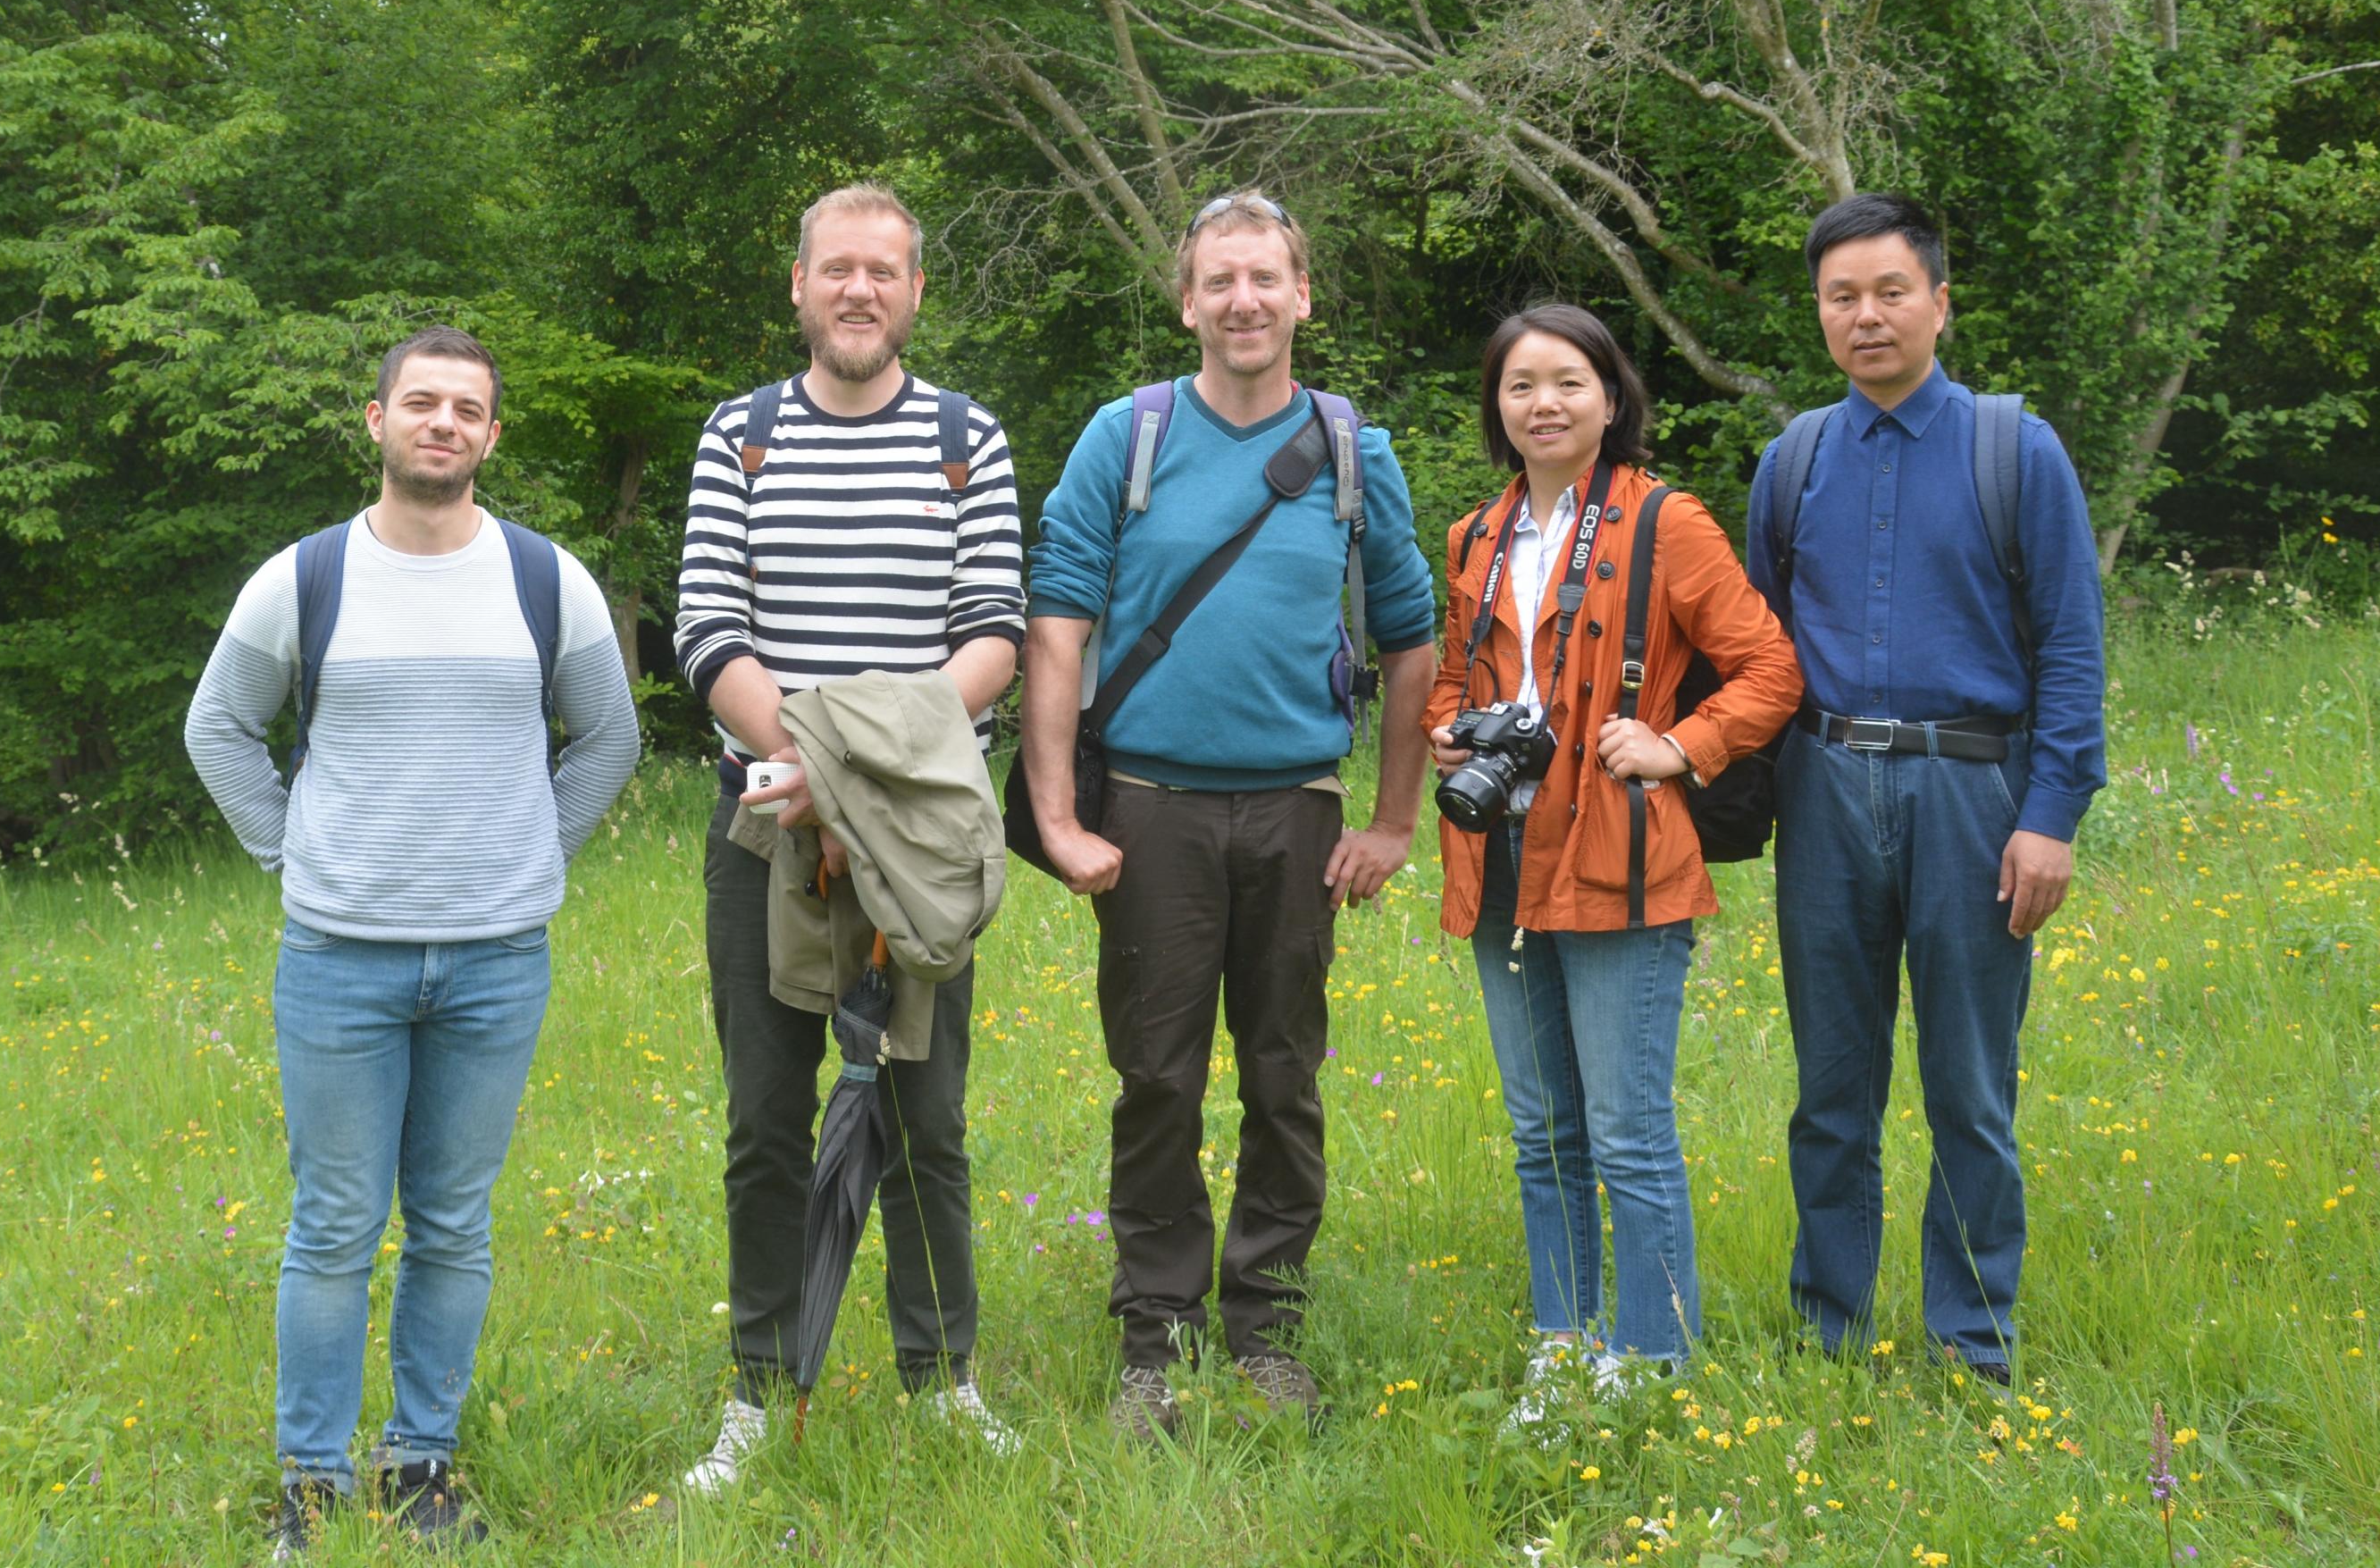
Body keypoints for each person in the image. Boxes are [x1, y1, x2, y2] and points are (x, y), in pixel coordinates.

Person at [184, 326, 641, 1555]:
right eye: (422, 402)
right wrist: (292, 854)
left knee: (452, 1224)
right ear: (376, 420)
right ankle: (312, 1482)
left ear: (492, 435)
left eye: (468, 409)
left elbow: (609, 736)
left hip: (497, 962)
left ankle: (421, 1465)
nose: (444, 423)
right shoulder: (305, 578)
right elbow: (218, 727)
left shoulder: (546, 578)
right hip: (340, 960)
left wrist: (538, 855)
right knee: (334, 1225)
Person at [1022, 189, 1438, 1437]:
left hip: (1299, 811)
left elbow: (1413, 642)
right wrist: (1059, 818)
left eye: (1265, 279)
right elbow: (1056, 628)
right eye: (1220, 281)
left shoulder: (1354, 452)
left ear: (1302, 294)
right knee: (1156, 1077)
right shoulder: (1127, 438)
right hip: (1149, 811)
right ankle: (1154, 1335)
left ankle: (1267, 1329)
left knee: (1283, 1076)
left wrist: (1394, 822)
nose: (1243, 301)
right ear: (1187, 302)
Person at [670, 182, 1027, 1488]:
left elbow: (992, 636)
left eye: (884, 270)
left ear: (916, 291)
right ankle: (760, 1394)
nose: (859, 289)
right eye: (837, 268)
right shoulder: (742, 435)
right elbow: (708, 630)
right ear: (801, 286)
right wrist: (810, 776)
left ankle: (943, 1383)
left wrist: (856, 784)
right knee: (765, 1124)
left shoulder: (966, 439)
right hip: (764, 831)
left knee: (927, 1122)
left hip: (919, 843)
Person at [1746, 192, 2107, 1386]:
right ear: (1819, 312)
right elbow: (1759, 656)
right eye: (1841, 296)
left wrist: (2051, 817)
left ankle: (1972, 1343)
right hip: (1825, 791)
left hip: (1975, 797)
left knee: (1970, 1088)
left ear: (1940, 303)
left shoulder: (2017, 452)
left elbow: (2071, 649)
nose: (1867, 316)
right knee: (1831, 1090)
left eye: (1891, 291)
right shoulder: (1793, 462)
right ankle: (1829, 1330)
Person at [1424, 303, 1800, 1414]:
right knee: (1542, 1131)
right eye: (1520, 386)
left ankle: (1650, 1363)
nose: (1543, 404)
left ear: (1610, 397)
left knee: (1627, 1135)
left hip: (1619, 855)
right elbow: (1454, 676)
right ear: (1497, 406)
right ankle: (1564, 1338)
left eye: (1568, 383)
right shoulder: (1476, 536)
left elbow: (1770, 669)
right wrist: (1449, 728)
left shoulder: (1663, 521)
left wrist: (1681, 745)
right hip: (1499, 852)